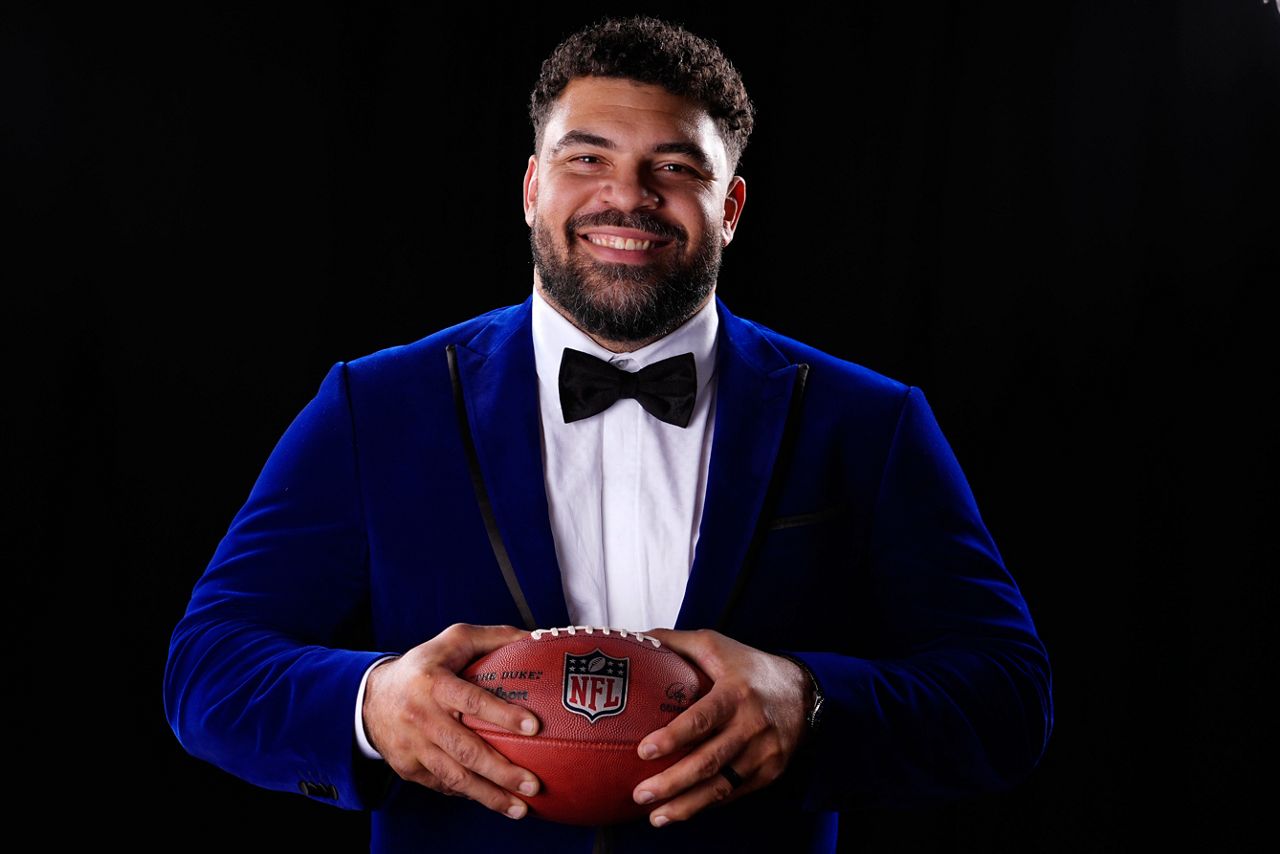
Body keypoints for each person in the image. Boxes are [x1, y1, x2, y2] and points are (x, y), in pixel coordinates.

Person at [164, 15, 1052, 853]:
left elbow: (1009, 697)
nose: (626, 196)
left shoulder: (868, 422)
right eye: (586, 157)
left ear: (732, 206)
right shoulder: (377, 404)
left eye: (675, 167)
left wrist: (815, 703)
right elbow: (208, 668)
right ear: (530, 187)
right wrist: (371, 703)